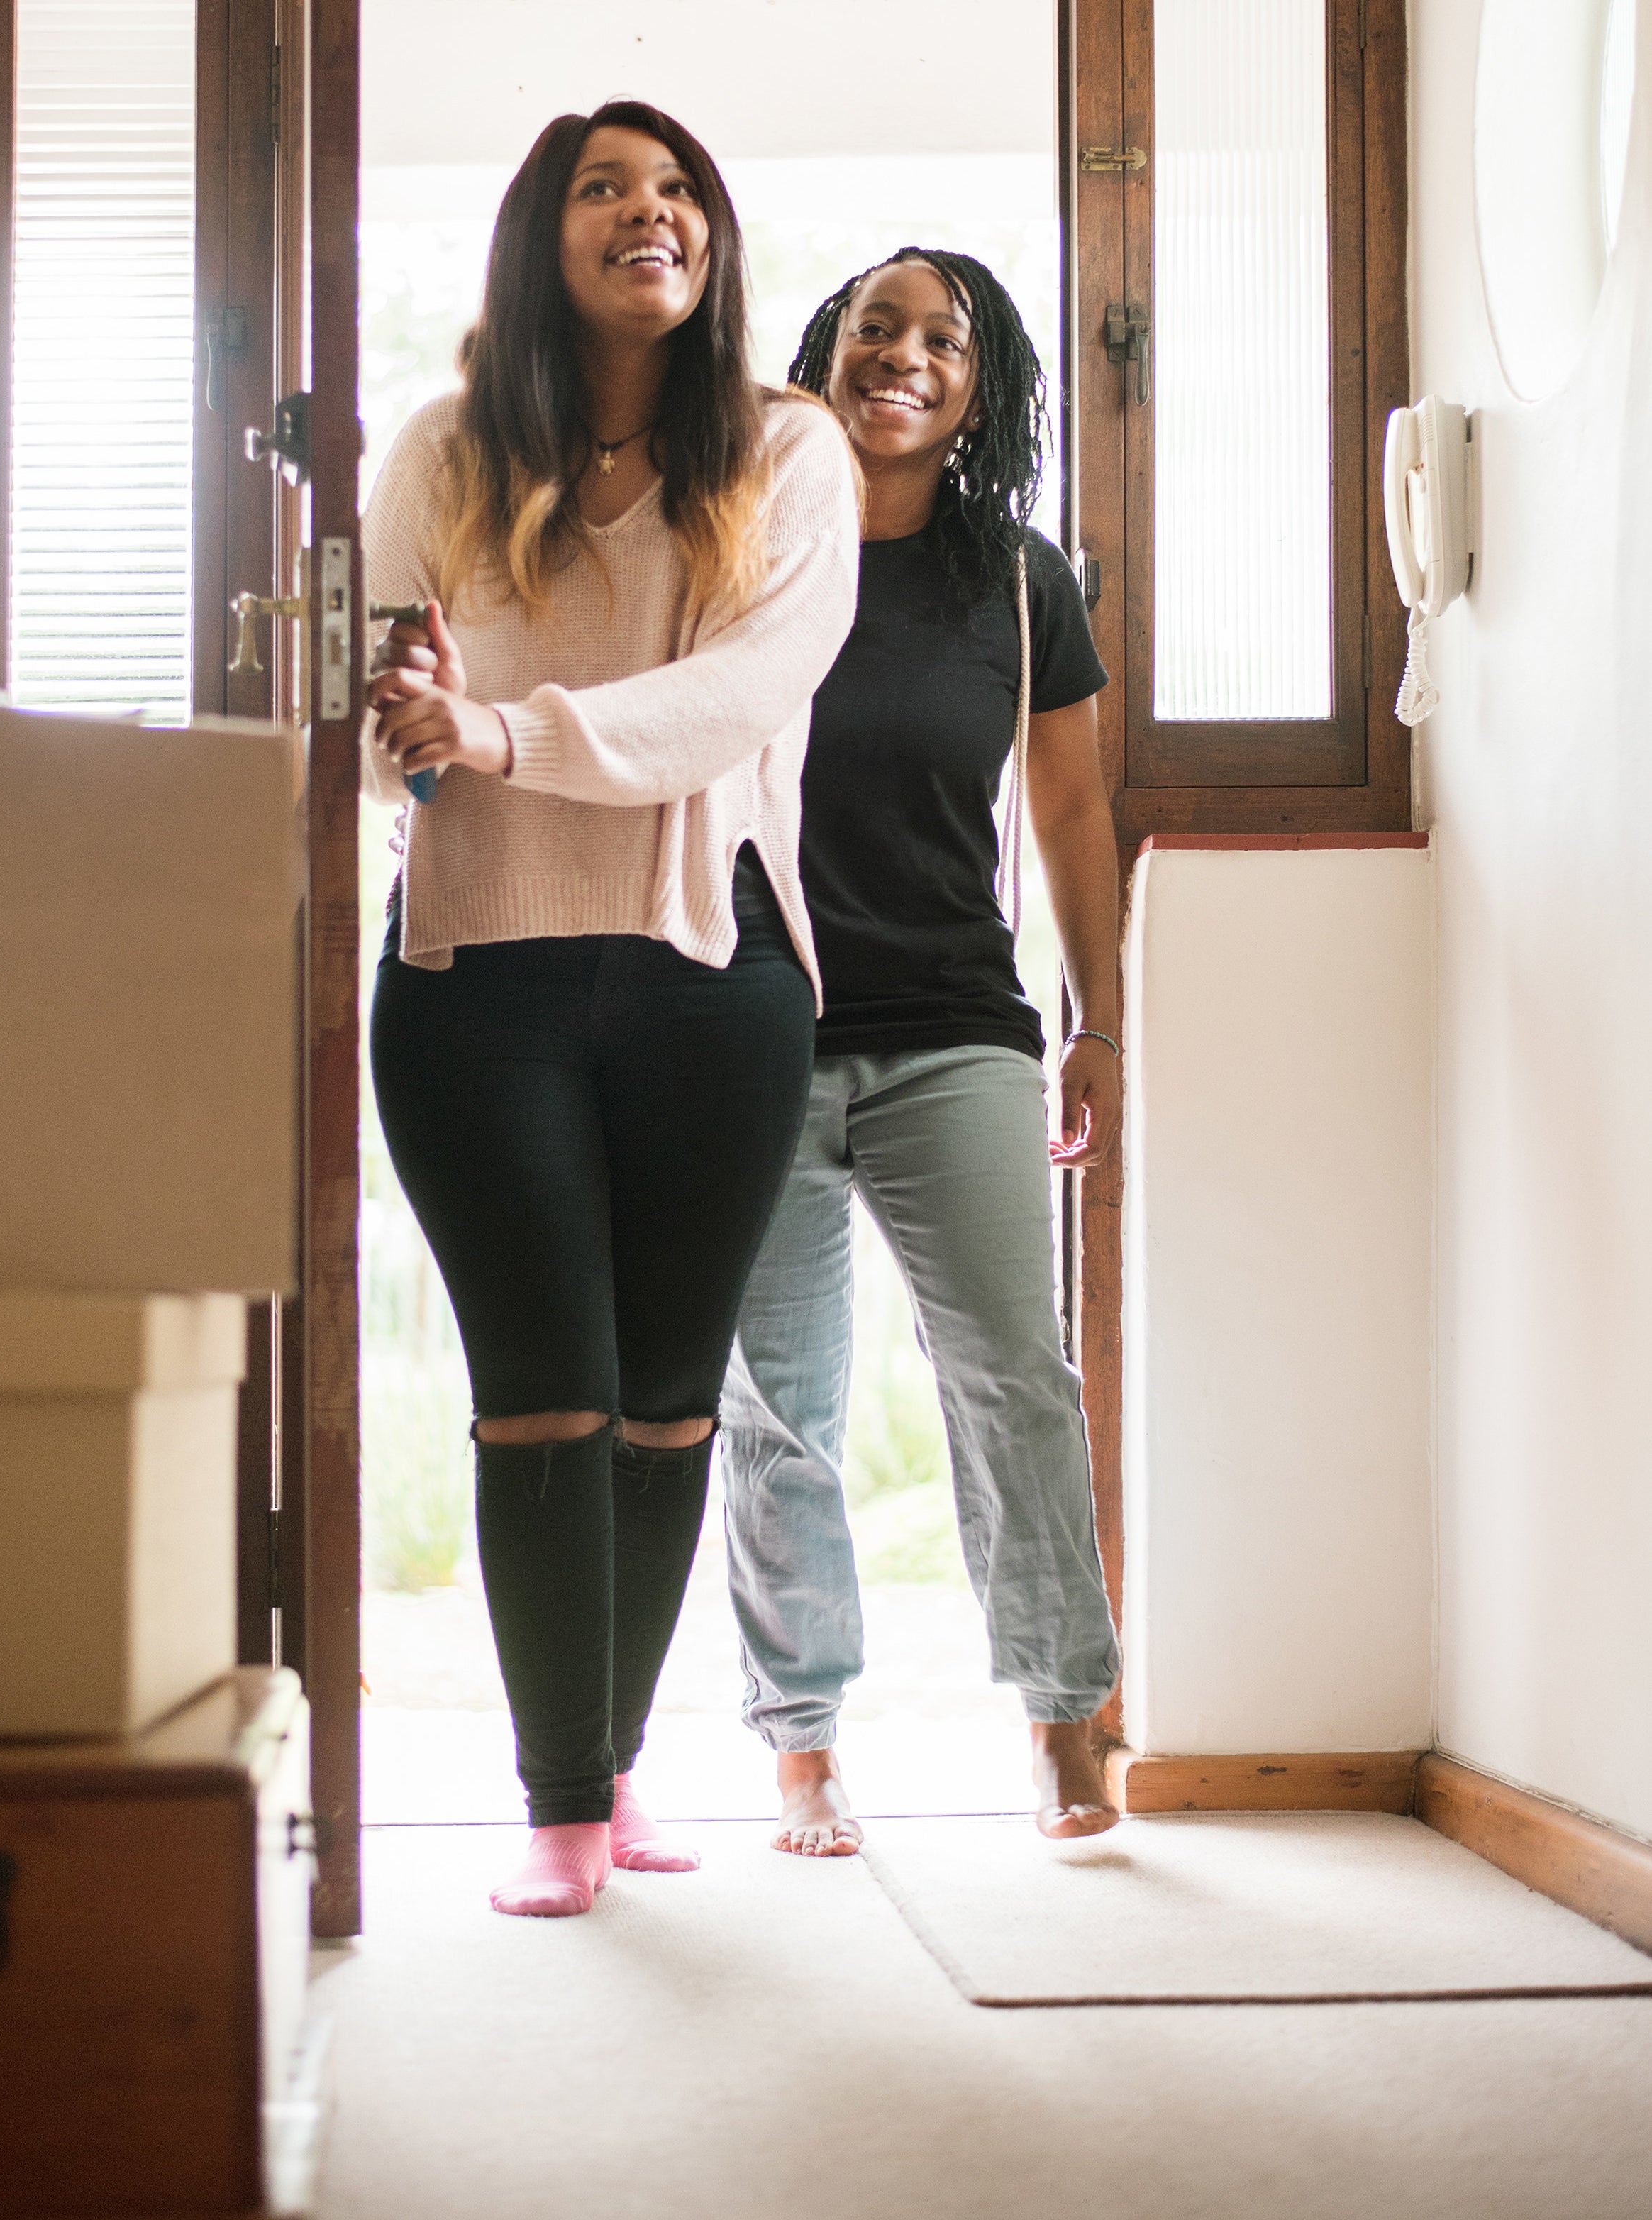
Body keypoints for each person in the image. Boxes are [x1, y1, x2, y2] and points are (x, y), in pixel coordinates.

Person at [362, 102, 859, 1918]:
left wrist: (502, 732)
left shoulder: (787, 453)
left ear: (710, 244)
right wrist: (405, 728)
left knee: (663, 1406)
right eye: (604, 189)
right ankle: (560, 1798)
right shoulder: (437, 449)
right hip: (471, 971)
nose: (648, 214)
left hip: (711, 980)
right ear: (542, 238)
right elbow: (380, 710)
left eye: (677, 193)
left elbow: (747, 688)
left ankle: (616, 1754)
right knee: (541, 1399)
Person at [722, 247, 1124, 1856]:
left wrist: (1099, 1017)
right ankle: (803, 1741)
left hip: (956, 1026)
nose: (902, 354)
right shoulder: (741, 548)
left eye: (939, 337)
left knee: (1013, 1376)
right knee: (776, 1406)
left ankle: (1061, 1715)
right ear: (821, 354)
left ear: (980, 382)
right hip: (751, 1023)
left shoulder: (1017, 581)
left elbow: (1074, 808)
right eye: (873, 325)